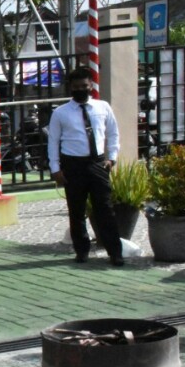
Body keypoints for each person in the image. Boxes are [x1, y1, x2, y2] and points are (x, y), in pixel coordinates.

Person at [46, 66, 123, 266]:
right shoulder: (60, 113)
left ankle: (115, 252)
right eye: (76, 86)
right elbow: (53, 141)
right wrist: (55, 168)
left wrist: (112, 158)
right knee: (76, 211)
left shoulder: (102, 107)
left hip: (98, 163)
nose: (81, 89)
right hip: (73, 165)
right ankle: (82, 251)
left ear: (91, 86)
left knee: (105, 209)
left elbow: (113, 133)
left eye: (84, 86)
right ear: (70, 88)